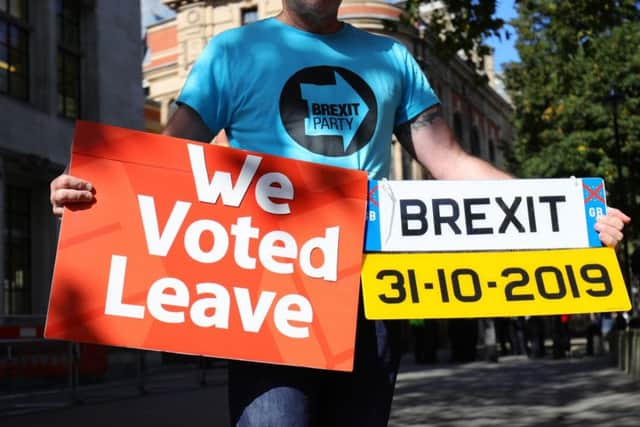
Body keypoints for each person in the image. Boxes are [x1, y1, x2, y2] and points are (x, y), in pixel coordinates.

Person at [49, 0, 631, 425]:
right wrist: (94, 192)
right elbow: (168, 157)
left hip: (370, 291)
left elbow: (450, 161)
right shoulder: (232, 52)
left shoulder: (391, 58)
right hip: (264, 294)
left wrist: (568, 217)